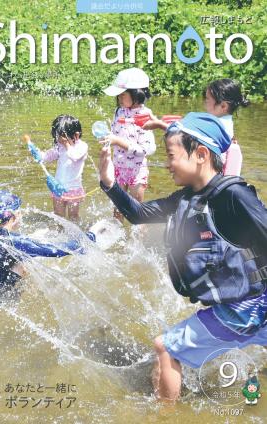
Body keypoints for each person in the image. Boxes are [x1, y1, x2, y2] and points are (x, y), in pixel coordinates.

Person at [98, 112, 267, 401]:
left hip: (247, 307)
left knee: (165, 347)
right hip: (251, 305)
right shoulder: (186, 199)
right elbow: (139, 214)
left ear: (200, 154)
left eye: (172, 155)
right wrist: (109, 182)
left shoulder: (234, 196)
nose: (166, 164)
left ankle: (165, 416)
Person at [0, 190, 96, 297]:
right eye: (19, 210)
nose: (21, 213)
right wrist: (85, 241)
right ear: (13, 215)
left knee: (19, 258)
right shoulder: (14, 241)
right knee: (23, 265)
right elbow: (53, 250)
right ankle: (19, 295)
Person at [102, 67, 156, 220]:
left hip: (136, 171)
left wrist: (118, 141)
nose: (119, 98)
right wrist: (108, 140)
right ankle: (117, 240)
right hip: (119, 167)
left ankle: (137, 241)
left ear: (137, 94)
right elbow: (115, 133)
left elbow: (145, 149)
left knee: (137, 211)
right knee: (117, 209)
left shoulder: (145, 116)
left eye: (122, 95)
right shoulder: (119, 111)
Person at [40, 115, 88, 221]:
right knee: (58, 216)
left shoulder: (82, 146)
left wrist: (67, 145)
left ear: (76, 135)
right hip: (58, 188)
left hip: (74, 190)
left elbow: (74, 156)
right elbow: (50, 155)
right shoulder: (60, 146)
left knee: (73, 216)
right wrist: (41, 156)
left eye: (61, 137)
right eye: (57, 136)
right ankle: (59, 234)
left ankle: (76, 235)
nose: (58, 140)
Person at [204, 78, 250, 176]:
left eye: (207, 99)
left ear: (223, 106)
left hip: (213, 174)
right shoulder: (227, 122)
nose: (205, 102)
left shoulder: (216, 125)